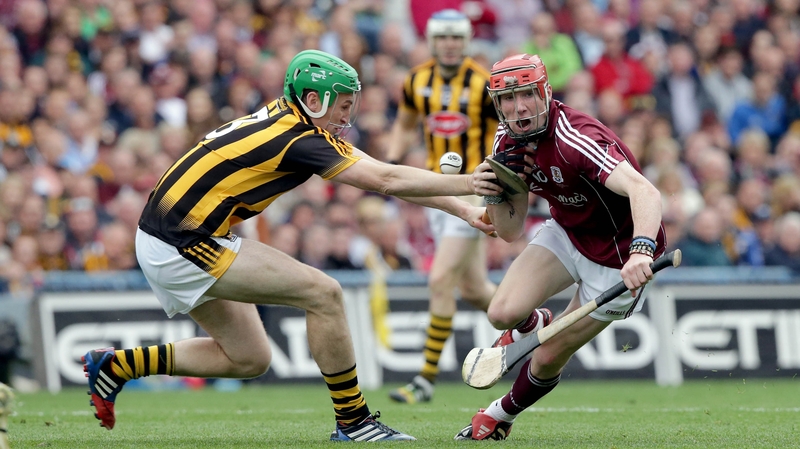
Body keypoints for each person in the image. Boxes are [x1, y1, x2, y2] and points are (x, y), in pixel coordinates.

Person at [82, 49, 504, 442]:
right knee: (324, 294)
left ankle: (118, 365)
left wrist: (463, 211)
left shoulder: (293, 121)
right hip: (183, 240)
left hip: (173, 235)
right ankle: (353, 421)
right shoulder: (298, 138)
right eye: (342, 102)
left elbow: (384, 176)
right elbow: (386, 180)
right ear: (313, 99)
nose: (348, 112)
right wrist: (469, 184)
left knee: (248, 358)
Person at [454, 53, 666, 441]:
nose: (518, 108)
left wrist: (641, 250)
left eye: (528, 95)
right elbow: (510, 231)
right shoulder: (505, 140)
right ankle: (535, 323)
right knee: (501, 313)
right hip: (569, 233)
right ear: (496, 104)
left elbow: (645, 191)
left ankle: (500, 415)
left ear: (546, 92)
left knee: (548, 355)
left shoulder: (575, 137)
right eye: (507, 99)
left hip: (618, 256)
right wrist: (494, 195)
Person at [384, 9, 553, 404]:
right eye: (442, 38)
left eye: (457, 38)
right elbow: (407, 121)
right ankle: (532, 322)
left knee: (440, 279)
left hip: (477, 187)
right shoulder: (416, 80)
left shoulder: (482, 83)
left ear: (467, 41)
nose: (450, 45)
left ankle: (425, 379)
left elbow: (512, 122)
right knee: (475, 289)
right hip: (437, 191)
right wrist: (390, 160)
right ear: (431, 42)